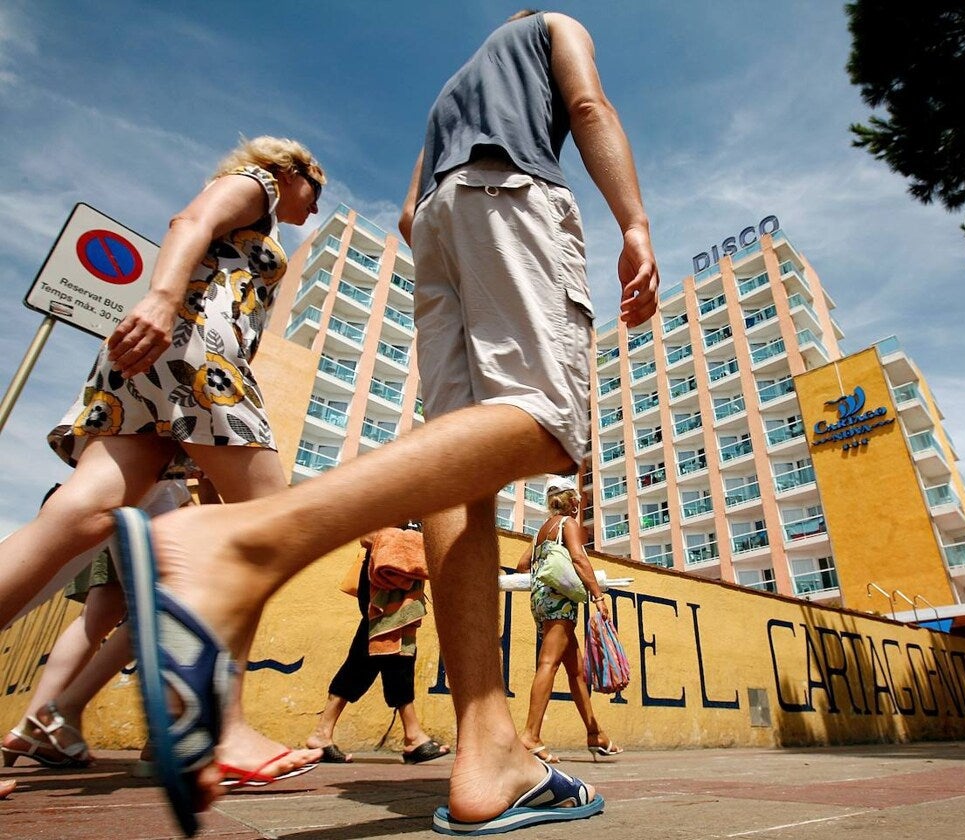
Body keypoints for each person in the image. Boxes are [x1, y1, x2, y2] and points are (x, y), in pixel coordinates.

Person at [107, 9, 657, 836]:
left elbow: (407, 213)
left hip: (437, 229)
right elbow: (588, 109)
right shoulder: (550, 25)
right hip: (510, 193)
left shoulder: (446, 97)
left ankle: (488, 755)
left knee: (461, 479)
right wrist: (635, 222)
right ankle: (246, 541)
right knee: (546, 421)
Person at [0, 136, 327, 788]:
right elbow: (191, 221)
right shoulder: (258, 184)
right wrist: (160, 297)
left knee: (80, 512)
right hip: (198, 353)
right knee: (271, 530)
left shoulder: (261, 206)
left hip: (162, 363)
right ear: (296, 174)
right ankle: (219, 725)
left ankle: (199, 715)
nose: (311, 210)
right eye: (313, 195)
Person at [3, 480, 189, 769]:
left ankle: (37, 723)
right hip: (147, 485)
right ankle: (59, 714)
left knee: (103, 612)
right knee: (168, 600)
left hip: (120, 488)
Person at [306, 529, 450, 765]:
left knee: (368, 657)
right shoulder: (397, 496)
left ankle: (323, 732)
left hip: (399, 582)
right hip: (384, 583)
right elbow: (367, 535)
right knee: (395, 652)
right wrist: (415, 544)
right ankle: (413, 736)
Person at [514, 476, 621, 763]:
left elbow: (522, 565)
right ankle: (530, 735)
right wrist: (597, 596)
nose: (579, 504)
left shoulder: (541, 532)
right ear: (572, 500)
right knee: (548, 664)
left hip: (540, 600)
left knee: (576, 672)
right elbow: (579, 559)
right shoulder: (567, 525)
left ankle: (595, 733)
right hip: (560, 603)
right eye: (578, 499)